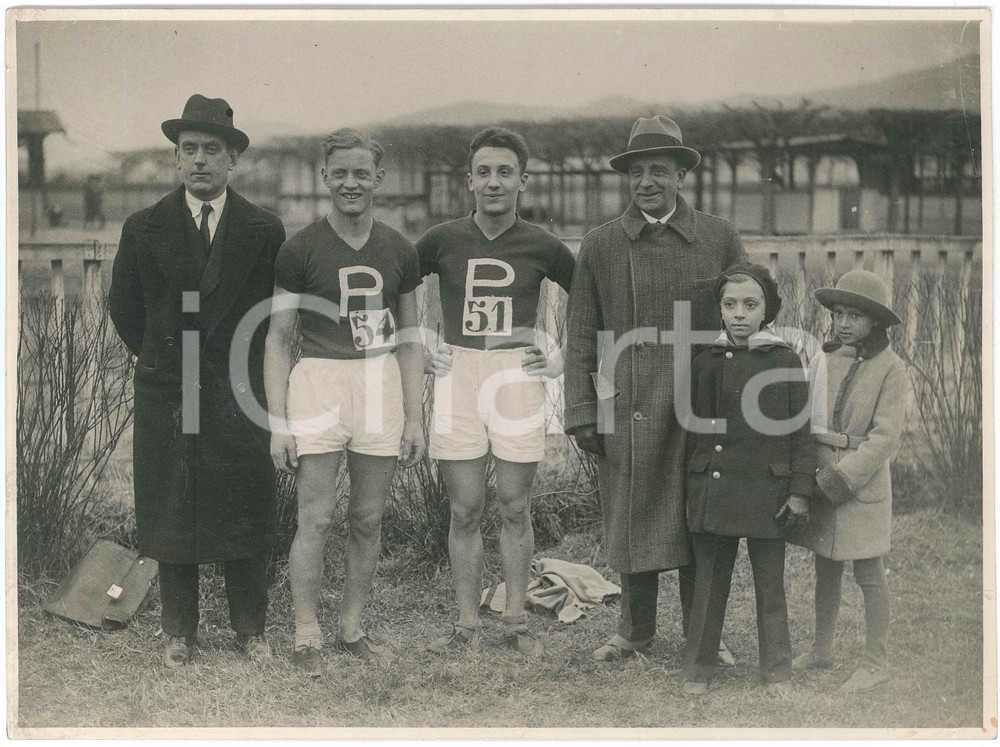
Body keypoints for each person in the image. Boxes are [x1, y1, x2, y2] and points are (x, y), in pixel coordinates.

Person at [109, 94, 286, 667]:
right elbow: (126, 309)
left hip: (239, 392)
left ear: (234, 159)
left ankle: (249, 630)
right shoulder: (144, 228)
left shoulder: (264, 229)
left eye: (214, 149)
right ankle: (178, 632)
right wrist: (167, 359)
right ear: (175, 159)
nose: (201, 160)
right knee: (171, 505)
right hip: (168, 390)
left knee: (245, 502)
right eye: (190, 150)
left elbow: (271, 318)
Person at [564, 115, 745, 662]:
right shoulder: (599, 245)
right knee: (631, 517)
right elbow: (578, 337)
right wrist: (580, 411)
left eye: (659, 170)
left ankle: (702, 636)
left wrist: (740, 405)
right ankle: (634, 631)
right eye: (637, 171)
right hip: (629, 407)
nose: (647, 181)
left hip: (700, 405)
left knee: (701, 522)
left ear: (680, 176)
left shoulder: (718, 237)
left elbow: (748, 322)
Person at [264, 129, 425, 677]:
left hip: (379, 381)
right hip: (319, 381)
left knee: (368, 516)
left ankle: (352, 626)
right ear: (325, 177)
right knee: (316, 516)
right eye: (341, 173)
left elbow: (409, 337)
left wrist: (415, 416)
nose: (351, 183)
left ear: (378, 179)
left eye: (362, 173)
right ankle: (306, 629)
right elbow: (278, 338)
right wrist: (278, 425)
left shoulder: (400, 248)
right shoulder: (300, 248)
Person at [418, 127, 575, 657]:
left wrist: (560, 357)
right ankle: (466, 625)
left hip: (516, 376)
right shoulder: (441, 239)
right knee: (464, 508)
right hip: (458, 372)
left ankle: (514, 622)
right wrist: (418, 344)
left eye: (504, 172)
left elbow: (594, 298)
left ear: (522, 181)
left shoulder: (543, 244)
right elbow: (392, 283)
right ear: (469, 180)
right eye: (483, 172)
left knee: (513, 506)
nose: (493, 182)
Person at [680, 263, 813, 696]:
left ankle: (777, 671)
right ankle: (698, 669)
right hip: (715, 489)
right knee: (709, 585)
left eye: (750, 305)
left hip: (766, 492)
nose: (739, 314)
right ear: (719, 309)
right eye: (730, 304)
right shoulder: (706, 361)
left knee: (770, 587)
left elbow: (800, 434)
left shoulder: (785, 360)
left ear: (766, 310)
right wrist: (694, 486)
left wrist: (798, 491)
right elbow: (693, 431)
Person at [791, 270, 907, 693]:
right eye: (839, 313)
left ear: (875, 321)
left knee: (869, 572)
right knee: (826, 566)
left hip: (862, 486)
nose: (844, 323)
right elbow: (805, 419)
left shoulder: (890, 368)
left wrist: (844, 477)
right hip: (822, 475)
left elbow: (884, 439)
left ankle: (877, 661)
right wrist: (812, 474)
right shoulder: (823, 359)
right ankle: (822, 650)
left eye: (855, 316)